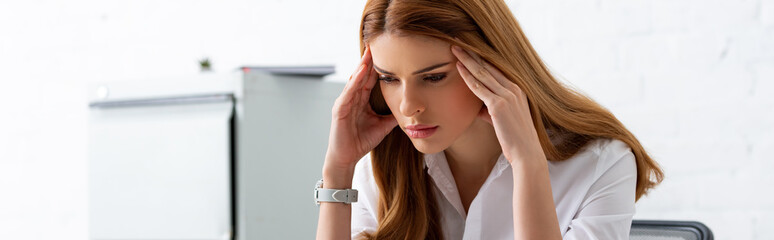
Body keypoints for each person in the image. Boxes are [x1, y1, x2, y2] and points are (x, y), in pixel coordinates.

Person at [316, 0, 664, 239]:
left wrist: (528, 164)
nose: (408, 107)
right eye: (389, 79)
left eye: (434, 77)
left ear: (491, 66)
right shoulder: (380, 170)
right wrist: (337, 171)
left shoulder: (601, 165)